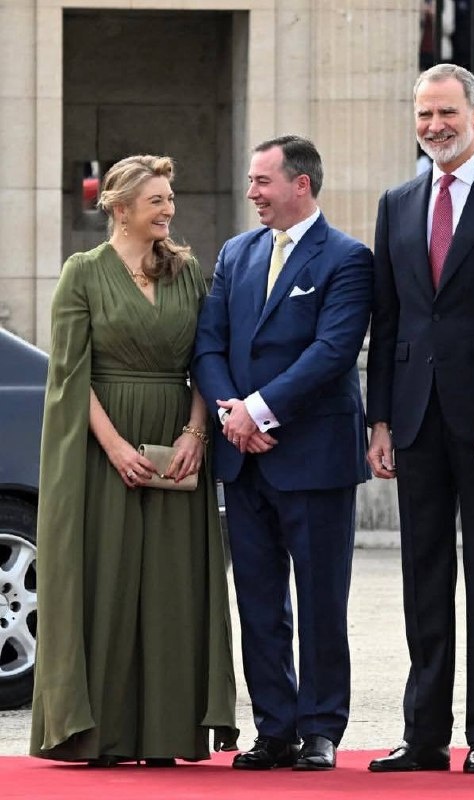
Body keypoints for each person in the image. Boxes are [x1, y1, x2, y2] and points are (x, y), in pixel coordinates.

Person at [30, 155, 238, 766]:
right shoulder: (82, 273)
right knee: (108, 583)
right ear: (121, 208)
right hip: (103, 451)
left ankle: (168, 734)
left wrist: (196, 433)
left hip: (178, 448)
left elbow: (207, 358)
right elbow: (70, 373)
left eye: (170, 199)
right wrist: (116, 446)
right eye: (157, 201)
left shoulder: (188, 272)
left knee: (173, 588)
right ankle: (100, 736)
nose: (169, 210)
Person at [366, 63, 474, 774]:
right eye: (424, 114)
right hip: (413, 417)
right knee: (423, 577)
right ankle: (424, 734)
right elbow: (388, 316)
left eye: (447, 113)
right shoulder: (397, 202)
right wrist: (378, 420)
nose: (434, 126)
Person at [192, 135, 373, 771]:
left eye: (262, 181)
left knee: (322, 600)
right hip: (243, 459)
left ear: (301, 184)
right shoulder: (235, 252)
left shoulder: (348, 258)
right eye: (250, 181)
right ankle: (274, 729)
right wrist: (230, 416)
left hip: (315, 458)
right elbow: (208, 344)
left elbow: (333, 351)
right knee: (259, 603)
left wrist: (259, 411)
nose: (252, 193)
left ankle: (321, 729)